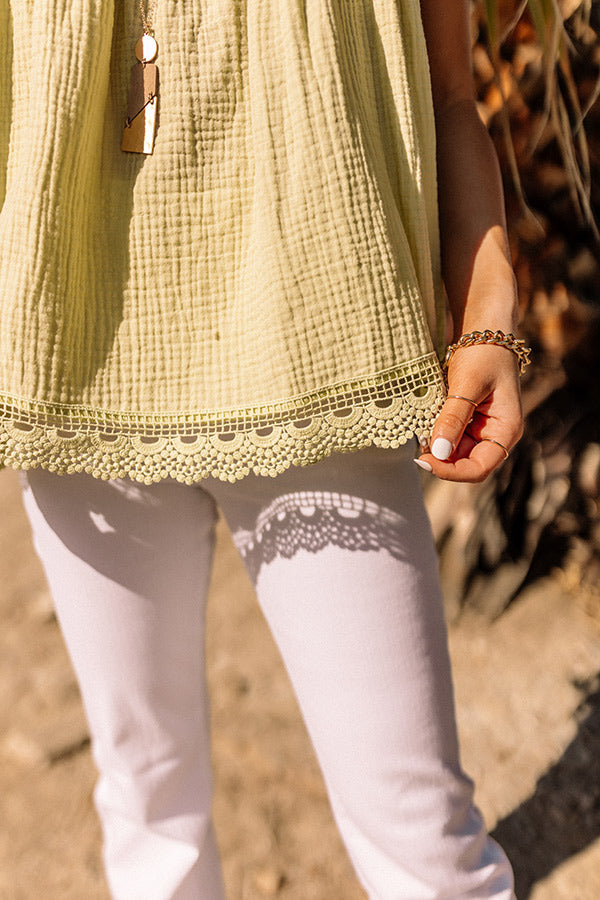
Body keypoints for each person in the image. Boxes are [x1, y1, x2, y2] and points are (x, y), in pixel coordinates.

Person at [0, 1, 527, 897]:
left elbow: (447, 95)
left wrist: (489, 317)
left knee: (424, 845)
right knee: (146, 807)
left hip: (324, 357)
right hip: (75, 371)